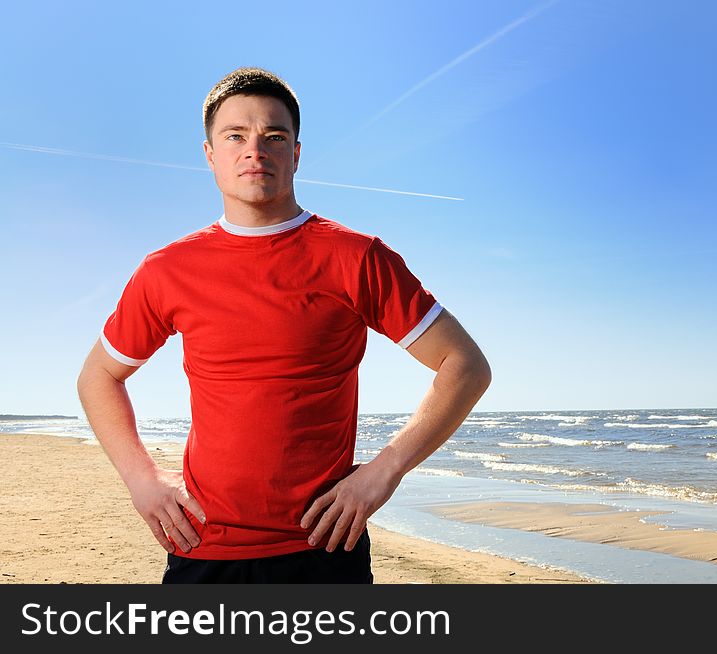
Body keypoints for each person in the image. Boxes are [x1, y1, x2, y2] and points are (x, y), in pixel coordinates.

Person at [76, 67, 492, 583]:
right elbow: (98, 376)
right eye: (236, 136)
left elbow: (466, 366)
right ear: (210, 155)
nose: (255, 150)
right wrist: (142, 479)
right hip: (205, 546)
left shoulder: (356, 256)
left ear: (295, 153)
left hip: (323, 547)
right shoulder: (166, 270)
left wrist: (384, 473)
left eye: (274, 136)